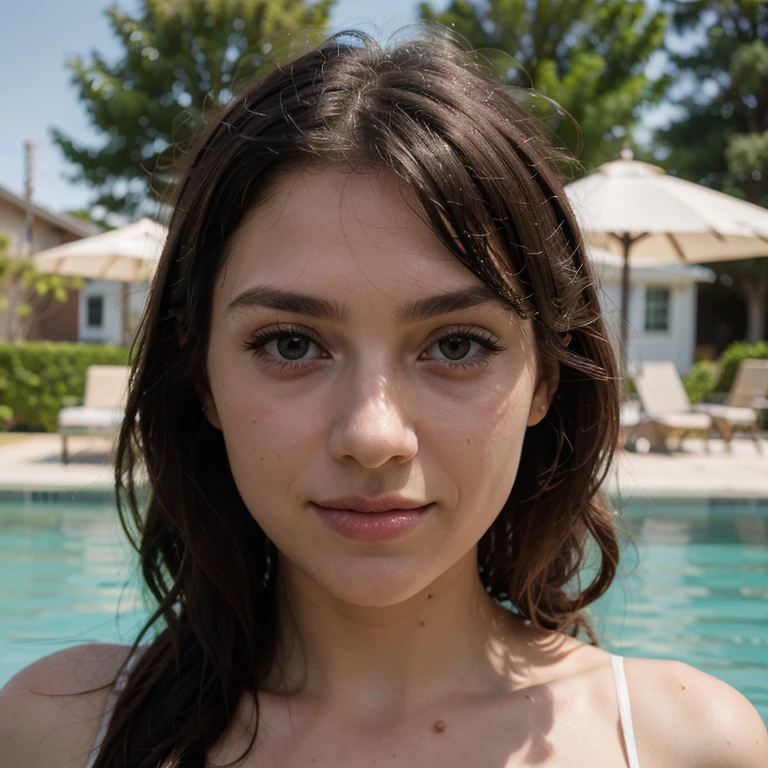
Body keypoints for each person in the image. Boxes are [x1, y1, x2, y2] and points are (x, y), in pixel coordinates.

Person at [2, 28, 765, 768]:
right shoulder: (59, 732)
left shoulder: (690, 746)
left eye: (457, 345)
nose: (373, 435)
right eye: (290, 344)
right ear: (200, 377)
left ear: (546, 378)